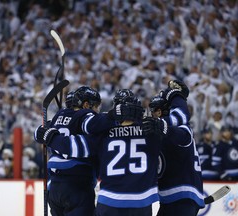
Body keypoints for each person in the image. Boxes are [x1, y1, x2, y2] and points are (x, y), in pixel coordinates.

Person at [36, 93, 195, 216]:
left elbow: (74, 148)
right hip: (142, 203)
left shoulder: (102, 131)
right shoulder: (152, 129)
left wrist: (50, 137)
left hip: (109, 202)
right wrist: (176, 98)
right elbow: (185, 137)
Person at [35, 86, 102, 216]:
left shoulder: (58, 116)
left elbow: (40, 132)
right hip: (78, 184)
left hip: (54, 186)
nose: (97, 110)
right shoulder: (85, 117)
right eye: (96, 106)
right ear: (86, 104)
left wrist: (41, 134)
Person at [149, 80, 205, 216]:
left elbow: (181, 130)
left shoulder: (181, 127)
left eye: (156, 110)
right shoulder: (159, 131)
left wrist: (175, 94)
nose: (153, 114)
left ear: (165, 110)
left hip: (182, 196)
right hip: (172, 198)